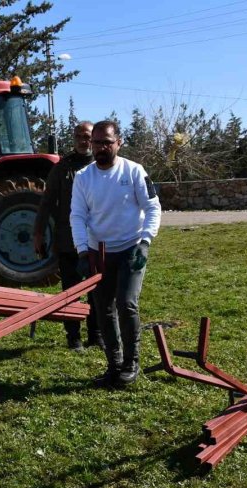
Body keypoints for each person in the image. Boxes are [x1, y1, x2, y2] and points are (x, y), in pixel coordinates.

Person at [70, 120, 161, 387]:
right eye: (96, 142)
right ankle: (115, 364)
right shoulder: (83, 177)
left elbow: (153, 208)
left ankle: (131, 363)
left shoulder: (134, 172)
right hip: (99, 252)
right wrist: (82, 252)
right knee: (103, 309)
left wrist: (145, 242)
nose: (100, 148)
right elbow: (77, 215)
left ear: (118, 143)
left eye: (107, 142)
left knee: (126, 303)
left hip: (132, 248)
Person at [33, 121, 104, 352]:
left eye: (87, 136)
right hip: (68, 240)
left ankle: (96, 335)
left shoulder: (102, 167)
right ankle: (73, 338)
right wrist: (38, 233)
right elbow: (46, 202)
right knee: (70, 291)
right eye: (78, 136)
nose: (83, 141)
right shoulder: (63, 168)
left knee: (97, 291)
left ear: (94, 139)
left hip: (98, 242)